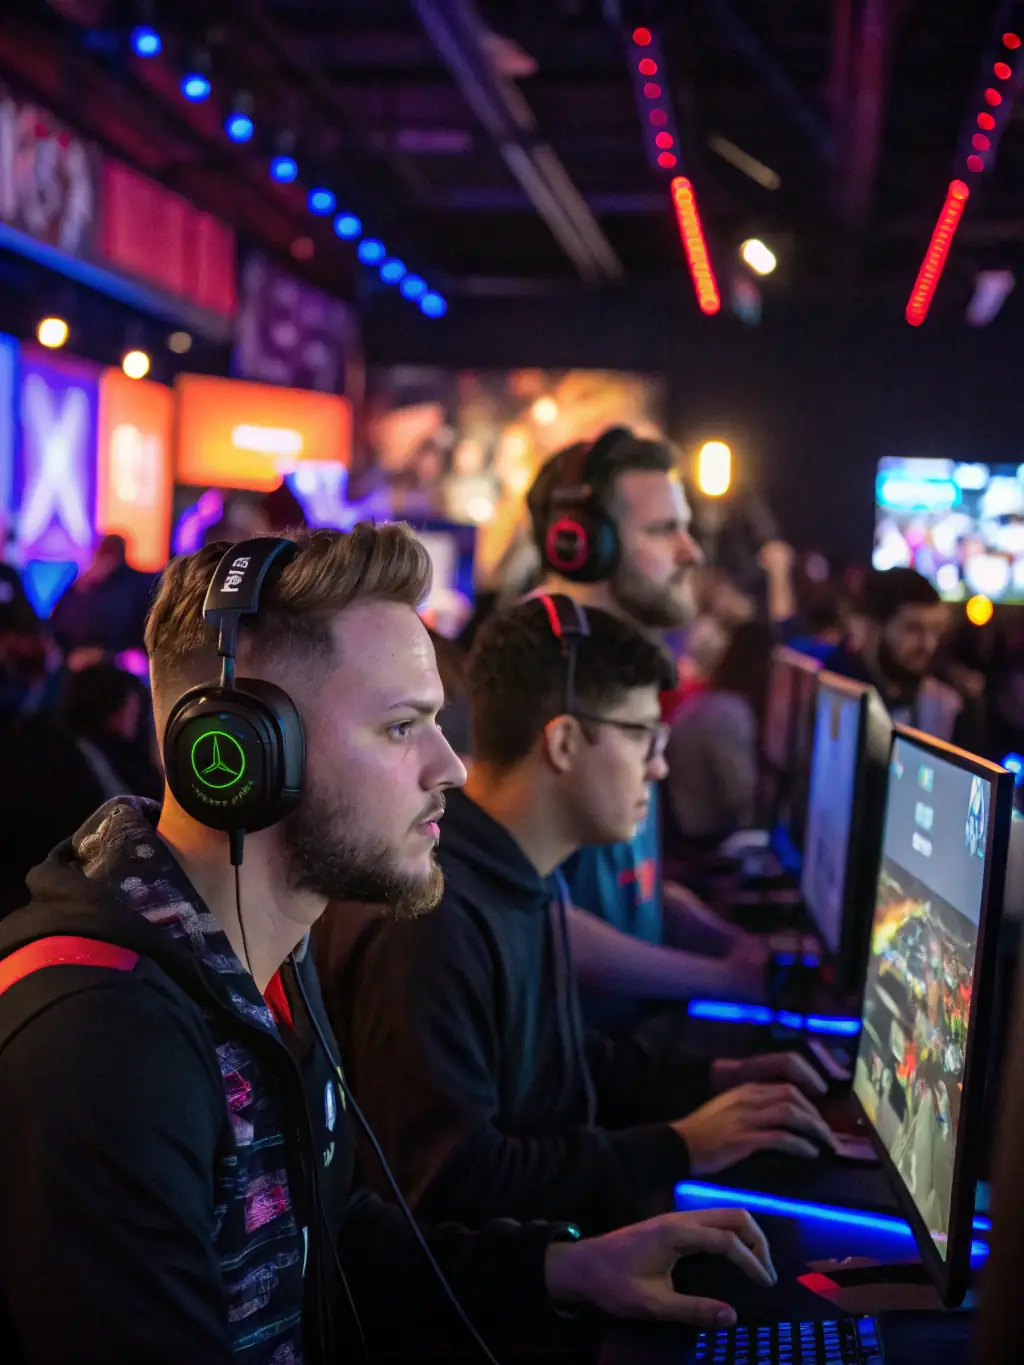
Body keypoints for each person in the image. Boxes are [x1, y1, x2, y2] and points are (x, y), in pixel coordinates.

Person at [0, 526, 780, 1363]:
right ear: (241, 753)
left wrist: (562, 1267)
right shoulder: (102, 1044)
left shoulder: (260, 963)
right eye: (404, 726)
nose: (451, 765)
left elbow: (321, 1246)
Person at [335, 596, 834, 1238]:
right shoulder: (434, 914)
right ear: (565, 741)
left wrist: (713, 1080)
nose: (660, 765)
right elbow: (451, 1180)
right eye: (644, 737)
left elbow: (550, 1068)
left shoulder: (511, 876)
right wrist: (680, 1147)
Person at [526, 428, 764, 1028]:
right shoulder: (531, 677)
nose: (691, 552)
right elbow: (533, 918)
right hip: (578, 1081)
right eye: (663, 530)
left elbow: (633, 889)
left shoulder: (624, 677)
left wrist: (731, 944)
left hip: (628, 1055)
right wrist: (722, 979)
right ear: (581, 543)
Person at [822, 567, 982, 747]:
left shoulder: (948, 706)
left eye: (936, 630)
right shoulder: (829, 692)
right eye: (913, 628)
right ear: (872, 627)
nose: (928, 645)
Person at [663, 621, 774, 853]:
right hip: (704, 845)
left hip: (686, 837)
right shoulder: (728, 713)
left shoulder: (714, 702)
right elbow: (742, 800)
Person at [49, 533, 157, 662]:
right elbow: (57, 628)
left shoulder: (137, 585)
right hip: (79, 660)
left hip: (121, 661)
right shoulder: (82, 585)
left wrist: (106, 656)